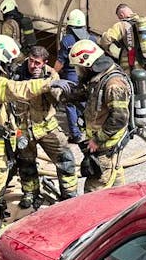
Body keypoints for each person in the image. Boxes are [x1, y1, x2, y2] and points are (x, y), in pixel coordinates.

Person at [0, 35, 59, 254]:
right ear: (1, 60)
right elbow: (18, 89)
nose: (9, 67)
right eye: (8, 63)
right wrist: (49, 83)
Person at [57, 40, 133, 192]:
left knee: (93, 192)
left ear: (88, 63)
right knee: (117, 185)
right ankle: (122, 209)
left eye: (80, 67)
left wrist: (97, 140)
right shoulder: (99, 75)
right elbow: (88, 92)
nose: (79, 71)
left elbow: (119, 118)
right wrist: (60, 94)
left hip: (106, 146)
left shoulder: (113, 85)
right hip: (105, 146)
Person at [11, 46, 78, 208]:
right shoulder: (16, 72)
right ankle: (30, 194)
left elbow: (56, 99)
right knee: (25, 163)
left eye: (37, 63)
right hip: (23, 127)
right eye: (31, 61)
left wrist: (44, 82)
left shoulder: (50, 74)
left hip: (47, 126)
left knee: (65, 159)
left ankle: (69, 196)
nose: (33, 65)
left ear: (45, 63)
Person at [53, 9, 96, 143]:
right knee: (85, 102)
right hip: (88, 76)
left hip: (71, 75)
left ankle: (75, 134)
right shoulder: (92, 38)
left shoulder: (67, 40)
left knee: (71, 103)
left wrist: (52, 74)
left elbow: (60, 61)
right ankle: (89, 128)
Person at [99, 3, 146, 85]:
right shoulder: (145, 23)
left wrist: (106, 48)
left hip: (131, 64)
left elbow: (106, 39)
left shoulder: (121, 25)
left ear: (122, 15)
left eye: (119, 17)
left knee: (130, 89)